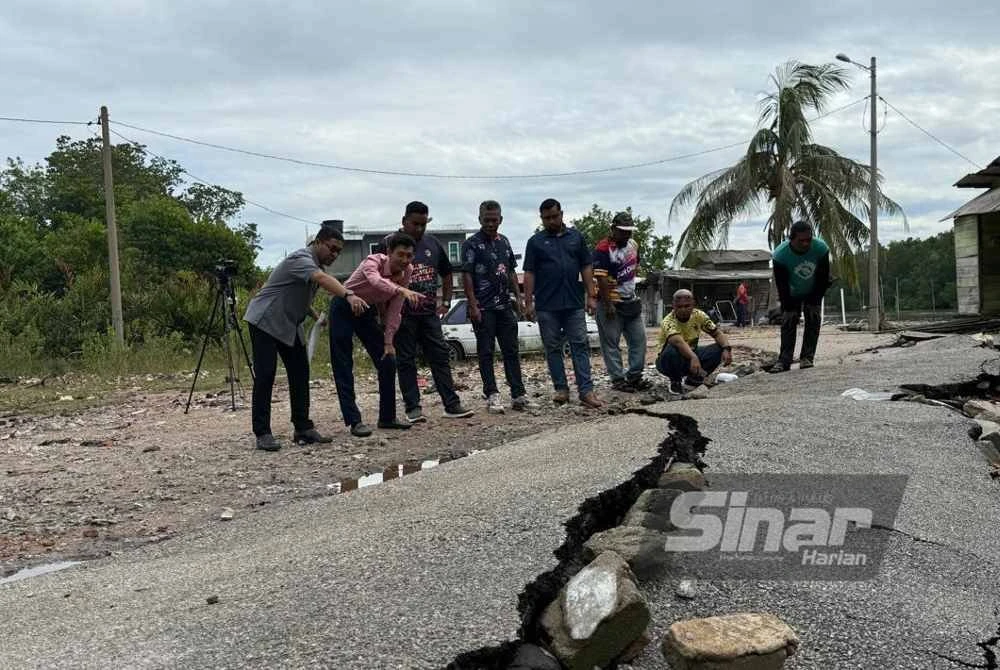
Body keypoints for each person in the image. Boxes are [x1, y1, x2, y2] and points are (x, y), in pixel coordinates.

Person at [243, 223, 368, 452]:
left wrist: (314, 315)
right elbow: (320, 279)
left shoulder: (314, 265)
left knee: (300, 373)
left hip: (289, 324)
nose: (334, 254)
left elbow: (295, 294)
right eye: (331, 248)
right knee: (266, 375)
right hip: (265, 320)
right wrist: (349, 294)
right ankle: (262, 433)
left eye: (338, 251)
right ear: (318, 242)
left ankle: (303, 427)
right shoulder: (301, 259)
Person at [377, 201, 473, 422]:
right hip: (401, 314)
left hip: (429, 313)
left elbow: (448, 273)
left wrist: (446, 302)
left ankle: (452, 404)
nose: (419, 229)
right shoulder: (388, 244)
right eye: (415, 224)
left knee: (439, 356)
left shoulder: (433, 244)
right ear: (404, 222)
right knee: (406, 360)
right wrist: (383, 313)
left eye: (423, 224)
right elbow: (378, 279)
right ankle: (413, 407)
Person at [329, 232, 423, 437]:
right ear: (389, 252)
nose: (405, 260)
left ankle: (387, 418)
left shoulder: (407, 270)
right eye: (401, 255)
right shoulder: (372, 261)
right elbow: (376, 282)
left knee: (388, 360)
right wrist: (401, 290)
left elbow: (394, 310)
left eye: (409, 256)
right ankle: (354, 421)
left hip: (365, 311)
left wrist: (389, 341)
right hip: (344, 306)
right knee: (343, 364)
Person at [523, 198, 603, 408]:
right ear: (541, 219)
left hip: (574, 304)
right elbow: (529, 272)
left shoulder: (576, 237)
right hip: (547, 305)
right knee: (552, 348)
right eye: (546, 218)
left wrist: (591, 296)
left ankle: (586, 391)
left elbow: (586, 267)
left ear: (562, 214)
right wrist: (528, 302)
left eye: (554, 216)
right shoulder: (535, 242)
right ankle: (561, 389)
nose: (551, 221)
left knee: (579, 345)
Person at [462, 200, 529, 413]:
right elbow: (467, 275)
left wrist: (518, 298)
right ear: (479, 219)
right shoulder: (471, 244)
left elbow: (510, 271)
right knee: (486, 352)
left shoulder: (505, 242)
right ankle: (492, 394)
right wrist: (472, 304)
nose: (491, 224)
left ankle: (518, 395)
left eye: (494, 220)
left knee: (511, 349)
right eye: (486, 220)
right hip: (483, 308)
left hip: (505, 306)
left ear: (501, 219)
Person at [592, 211, 650, 392]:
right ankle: (618, 379)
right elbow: (600, 279)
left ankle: (634, 376)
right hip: (611, 301)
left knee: (639, 339)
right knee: (611, 343)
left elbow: (635, 266)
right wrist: (608, 304)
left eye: (629, 231)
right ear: (613, 229)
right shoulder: (603, 249)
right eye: (623, 231)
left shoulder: (633, 245)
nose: (626, 234)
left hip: (630, 299)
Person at [769, 220, 831, 372]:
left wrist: (816, 298)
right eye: (801, 241)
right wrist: (787, 304)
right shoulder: (780, 255)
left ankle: (807, 357)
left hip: (813, 288)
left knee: (813, 316)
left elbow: (823, 278)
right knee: (789, 319)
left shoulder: (821, 249)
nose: (805, 244)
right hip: (791, 291)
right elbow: (781, 285)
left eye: (808, 240)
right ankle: (784, 360)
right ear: (792, 239)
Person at [656, 289, 733, 395]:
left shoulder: (699, 315)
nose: (683, 309)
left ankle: (693, 380)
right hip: (667, 361)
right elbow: (678, 342)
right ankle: (675, 381)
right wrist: (693, 357)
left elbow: (717, 333)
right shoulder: (668, 321)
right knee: (672, 349)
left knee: (719, 348)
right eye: (679, 307)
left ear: (693, 304)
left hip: (691, 356)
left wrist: (727, 349)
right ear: (673, 306)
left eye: (687, 306)